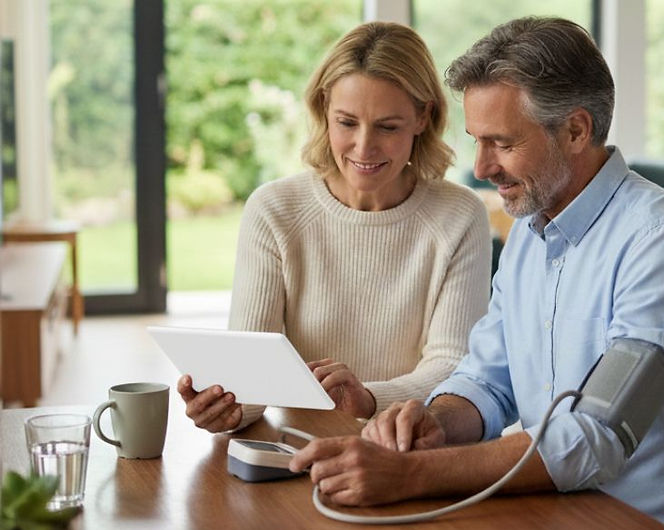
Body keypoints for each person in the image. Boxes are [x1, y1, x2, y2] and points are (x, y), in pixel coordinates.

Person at [289, 17, 664, 530]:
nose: (481, 167)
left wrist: (413, 475)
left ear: (576, 130)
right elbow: (488, 382)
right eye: (477, 142)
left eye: (502, 143)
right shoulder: (530, 234)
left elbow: (599, 435)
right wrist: (436, 423)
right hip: (559, 520)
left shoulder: (663, 242)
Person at [177, 22, 491, 431]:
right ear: (324, 108)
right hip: (298, 447)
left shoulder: (460, 215)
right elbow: (252, 371)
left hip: (409, 447)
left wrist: (368, 398)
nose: (364, 147)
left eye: (387, 127)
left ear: (422, 116)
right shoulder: (274, 211)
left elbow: (454, 366)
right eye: (347, 122)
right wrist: (229, 409)